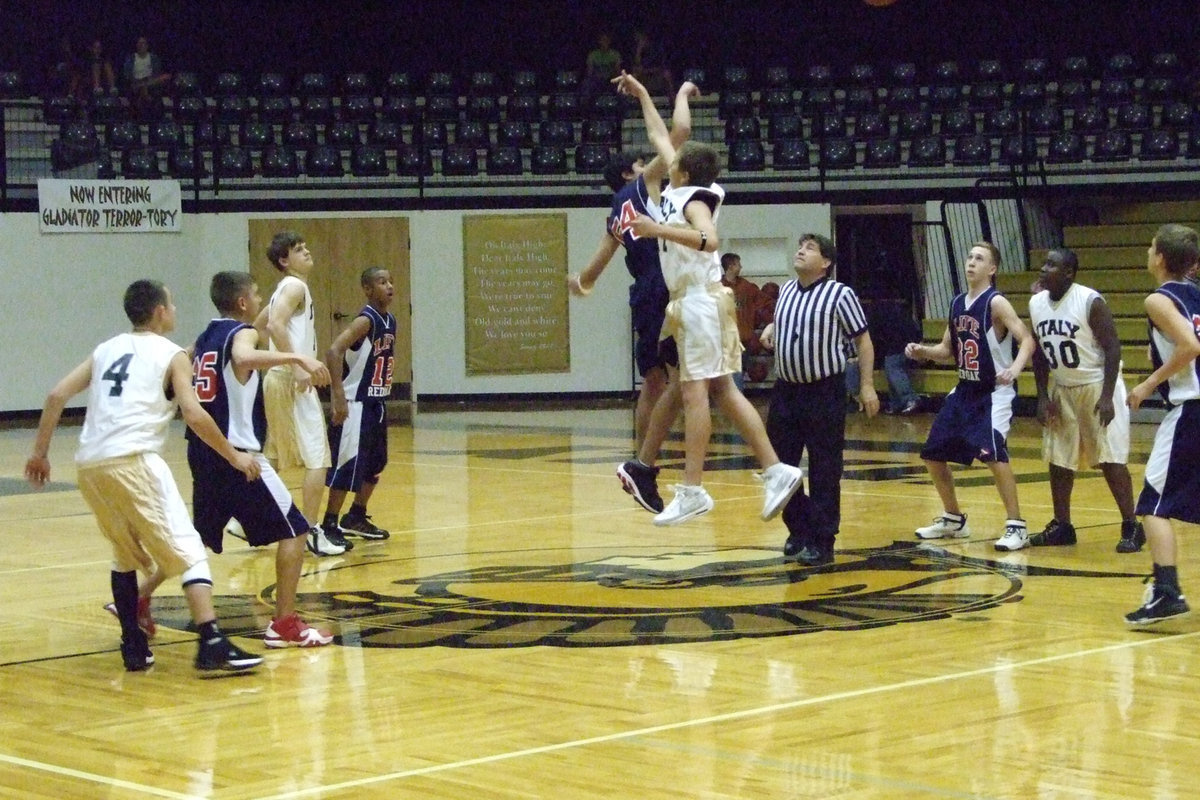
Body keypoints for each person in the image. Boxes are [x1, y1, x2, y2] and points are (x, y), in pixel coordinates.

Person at [24, 279, 264, 674]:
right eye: (171, 303)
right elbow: (193, 414)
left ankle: (133, 646)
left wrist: (40, 454)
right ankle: (212, 642)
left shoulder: (107, 349)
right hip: (133, 460)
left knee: (124, 553)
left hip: (91, 464)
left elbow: (55, 396)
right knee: (189, 547)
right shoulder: (172, 354)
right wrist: (235, 456)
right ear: (159, 312)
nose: (174, 310)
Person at [616, 70, 804, 526]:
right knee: (719, 388)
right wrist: (653, 93)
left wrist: (654, 228)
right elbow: (665, 131)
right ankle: (777, 469)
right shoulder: (678, 188)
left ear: (682, 168)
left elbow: (710, 239)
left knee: (695, 392)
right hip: (696, 303)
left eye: (671, 158)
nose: (662, 157)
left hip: (699, 300)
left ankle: (693, 488)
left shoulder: (693, 200)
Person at [569, 79, 698, 514]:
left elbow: (593, 271)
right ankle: (645, 463)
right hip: (666, 286)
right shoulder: (641, 186)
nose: (653, 166)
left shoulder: (614, 214)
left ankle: (643, 461)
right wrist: (666, 94)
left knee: (653, 381)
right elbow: (676, 135)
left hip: (642, 293)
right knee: (686, 379)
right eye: (643, 164)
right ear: (631, 173)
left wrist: (578, 283)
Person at [187, 271, 335, 647]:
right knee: (297, 530)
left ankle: (139, 597)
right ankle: (284, 622)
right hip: (238, 455)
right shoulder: (242, 335)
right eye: (256, 295)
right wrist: (296, 356)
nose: (260, 301)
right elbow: (244, 353)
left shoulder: (204, 337)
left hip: (203, 451)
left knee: (194, 539)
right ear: (242, 303)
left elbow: (182, 367)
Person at [904, 241, 1035, 551]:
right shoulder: (956, 303)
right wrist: (923, 351)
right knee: (933, 453)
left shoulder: (996, 302)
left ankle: (1017, 526)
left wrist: (1015, 370)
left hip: (994, 393)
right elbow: (947, 351)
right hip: (964, 390)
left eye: (980, 258)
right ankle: (953, 518)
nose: (972, 262)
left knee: (994, 453)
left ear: (992, 269)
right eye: (970, 256)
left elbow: (1027, 340)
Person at [760, 234, 880, 566]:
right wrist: (772, 328)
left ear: (826, 262)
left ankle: (823, 539)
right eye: (800, 246)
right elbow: (792, 320)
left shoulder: (840, 294)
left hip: (824, 391)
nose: (800, 251)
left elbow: (864, 342)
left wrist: (867, 386)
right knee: (780, 467)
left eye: (810, 248)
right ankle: (798, 528)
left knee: (825, 468)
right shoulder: (785, 290)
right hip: (785, 390)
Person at [1026, 247, 1143, 552]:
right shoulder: (1036, 303)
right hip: (1062, 386)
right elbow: (1038, 353)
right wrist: (1041, 395)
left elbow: (1113, 348)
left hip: (1097, 384)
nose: (1043, 268)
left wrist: (1107, 396)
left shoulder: (1090, 301)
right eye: (1043, 263)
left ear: (1068, 273)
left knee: (1110, 458)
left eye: (1051, 265)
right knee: (1059, 458)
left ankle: (1132, 525)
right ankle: (1062, 525)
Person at [1124, 223, 1200, 625]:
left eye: (1152, 247)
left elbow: (1190, 346)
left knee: (1153, 503)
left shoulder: (1159, 299)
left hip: (1190, 408)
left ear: (1160, 258)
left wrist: (1146, 385)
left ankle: (1168, 592)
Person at [261, 231, 346, 556]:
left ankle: (244, 518)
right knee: (318, 459)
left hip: (277, 376)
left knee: (273, 455)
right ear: (285, 260)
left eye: (306, 245)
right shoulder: (294, 286)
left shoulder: (284, 289)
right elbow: (275, 326)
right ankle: (309, 531)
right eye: (299, 249)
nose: (307, 251)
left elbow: (261, 324)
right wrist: (298, 367)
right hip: (292, 379)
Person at [320, 267, 397, 543]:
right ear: (367, 289)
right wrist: (337, 394)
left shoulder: (390, 320)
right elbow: (333, 350)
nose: (389, 286)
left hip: (377, 403)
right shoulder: (366, 320)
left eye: (390, 281)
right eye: (381, 282)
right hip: (356, 404)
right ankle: (329, 523)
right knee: (347, 466)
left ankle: (356, 515)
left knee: (376, 463)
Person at [846, 298, 922, 414]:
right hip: (900, 350)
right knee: (889, 363)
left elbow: (873, 340)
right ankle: (896, 403)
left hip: (901, 350)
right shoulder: (899, 310)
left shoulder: (874, 314)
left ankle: (909, 399)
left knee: (891, 364)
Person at [721, 252, 762, 390]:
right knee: (735, 375)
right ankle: (737, 405)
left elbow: (763, 301)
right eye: (739, 264)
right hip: (727, 339)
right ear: (731, 266)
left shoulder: (747, 287)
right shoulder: (717, 288)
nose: (741, 266)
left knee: (739, 373)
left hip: (745, 339)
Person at [121, 35, 170, 117]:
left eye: (143, 43)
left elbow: (157, 75)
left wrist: (147, 83)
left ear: (147, 45)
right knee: (141, 89)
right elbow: (128, 76)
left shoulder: (154, 58)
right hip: (136, 83)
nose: (141, 45)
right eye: (139, 43)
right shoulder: (131, 59)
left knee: (159, 81)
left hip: (151, 84)